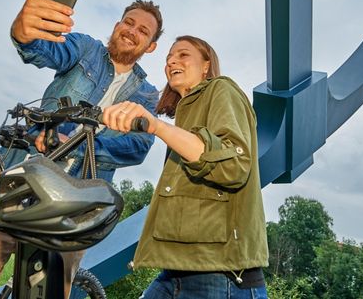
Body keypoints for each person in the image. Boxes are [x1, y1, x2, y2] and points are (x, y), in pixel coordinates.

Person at [0, 0, 164, 298]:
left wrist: (79, 144)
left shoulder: (146, 94)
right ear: (117, 25)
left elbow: (138, 147)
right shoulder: (85, 48)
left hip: (78, 200)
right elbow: (44, 49)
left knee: (46, 288)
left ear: (150, 45)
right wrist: (25, 32)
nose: (132, 31)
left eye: (144, 30)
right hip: (22, 173)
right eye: (129, 22)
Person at [103, 35, 269, 298]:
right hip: (178, 271)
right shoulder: (185, 113)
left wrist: (156, 126)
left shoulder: (221, 89)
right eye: (169, 57)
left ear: (206, 65)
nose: (171, 61)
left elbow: (234, 165)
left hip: (220, 274)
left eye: (183, 54)